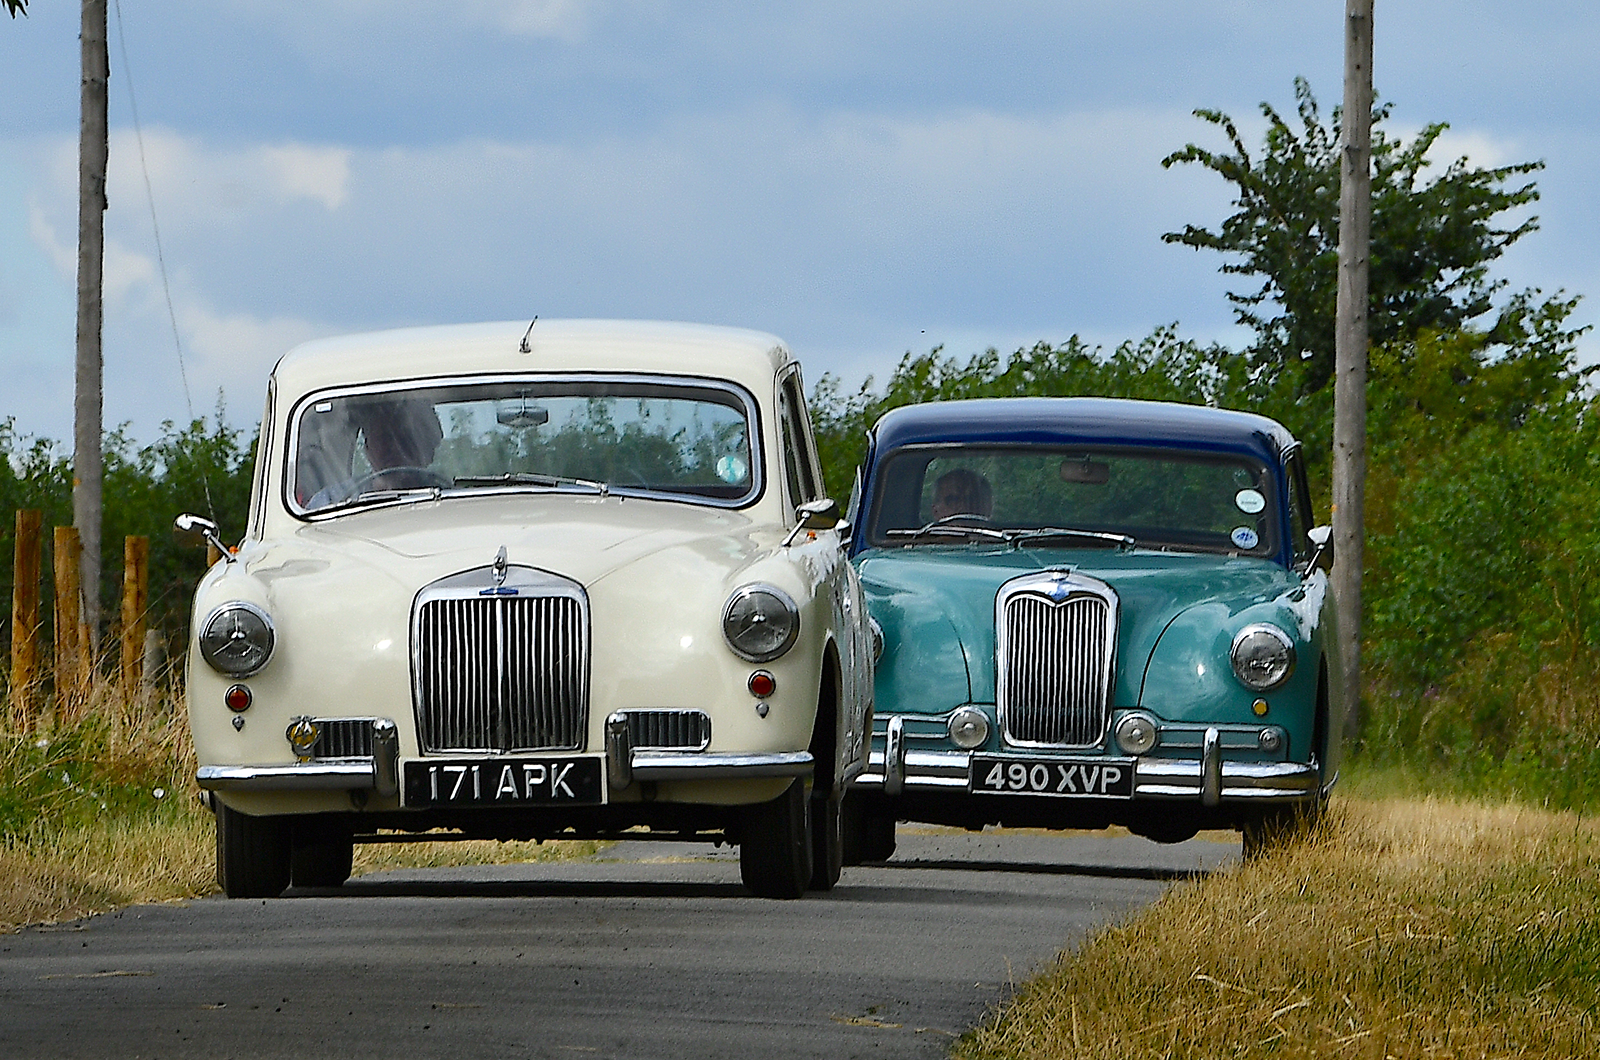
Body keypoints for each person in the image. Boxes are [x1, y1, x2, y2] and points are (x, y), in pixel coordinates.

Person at [304, 397, 445, 509]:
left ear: (428, 448)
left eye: (405, 437)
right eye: (383, 438)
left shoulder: (451, 496)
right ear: (367, 448)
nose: (395, 447)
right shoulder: (330, 501)